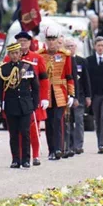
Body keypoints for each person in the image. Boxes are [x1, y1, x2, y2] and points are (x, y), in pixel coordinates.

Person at [12, 31, 50, 166]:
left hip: (31, 98)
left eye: (25, 41)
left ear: (29, 43)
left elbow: (44, 80)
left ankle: (35, 155)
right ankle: (19, 156)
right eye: (19, 41)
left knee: (33, 129)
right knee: (16, 131)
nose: (22, 43)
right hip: (15, 99)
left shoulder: (37, 58)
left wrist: (44, 98)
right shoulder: (9, 58)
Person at [0, 42, 39, 168]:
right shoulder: (3, 69)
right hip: (11, 105)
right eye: (12, 53)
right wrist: (0, 103)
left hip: (25, 105)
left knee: (25, 132)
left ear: (20, 53)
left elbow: (35, 87)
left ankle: (26, 159)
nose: (15, 55)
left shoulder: (27, 67)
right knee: (14, 134)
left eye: (17, 53)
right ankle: (15, 159)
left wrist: (34, 103)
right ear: (9, 54)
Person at [39, 26, 75, 160]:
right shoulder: (40, 54)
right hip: (46, 93)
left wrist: (71, 94)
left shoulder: (65, 55)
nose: (51, 42)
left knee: (57, 120)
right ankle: (51, 150)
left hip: (60, 91)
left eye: (54, 39)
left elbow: (69, 76)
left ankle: (59, 148)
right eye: (49, 39)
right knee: (48, 122)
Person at [65, 37, 91, 156]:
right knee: (68, 121)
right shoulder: (63, 60)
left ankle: (78, 145)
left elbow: (86, 80)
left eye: (72, 46)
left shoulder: (82, 61)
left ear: (76, 47)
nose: (70, 48)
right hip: (66, 96)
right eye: (68, 46)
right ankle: (69, 145)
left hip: (79, 95)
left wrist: (88, 96)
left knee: (79, 120)